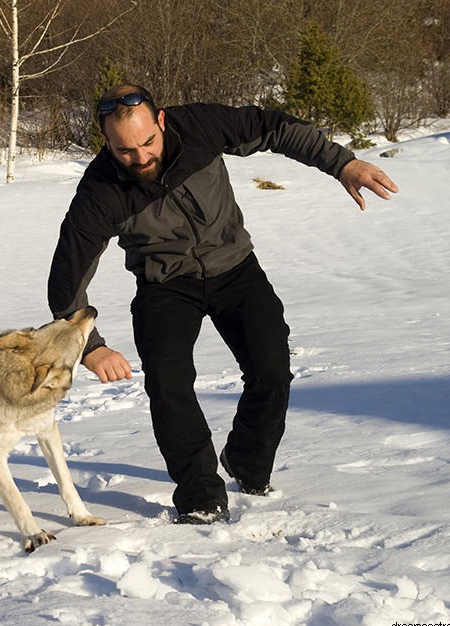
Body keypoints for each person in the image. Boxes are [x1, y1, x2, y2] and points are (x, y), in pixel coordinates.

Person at [47, 84, 398, 525]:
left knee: (271, 369)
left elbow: (274, 127)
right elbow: (67, 280)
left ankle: (247, 463)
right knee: (168, 382)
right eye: (124, 150)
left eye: (147, 143)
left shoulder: (201, 127)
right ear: (106, 142)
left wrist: (342, 163)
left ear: (161, 121)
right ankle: (199, 495)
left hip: (235, 269)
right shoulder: (101, 191)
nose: (140, 158)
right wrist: (91, 345)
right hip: (165, 285)